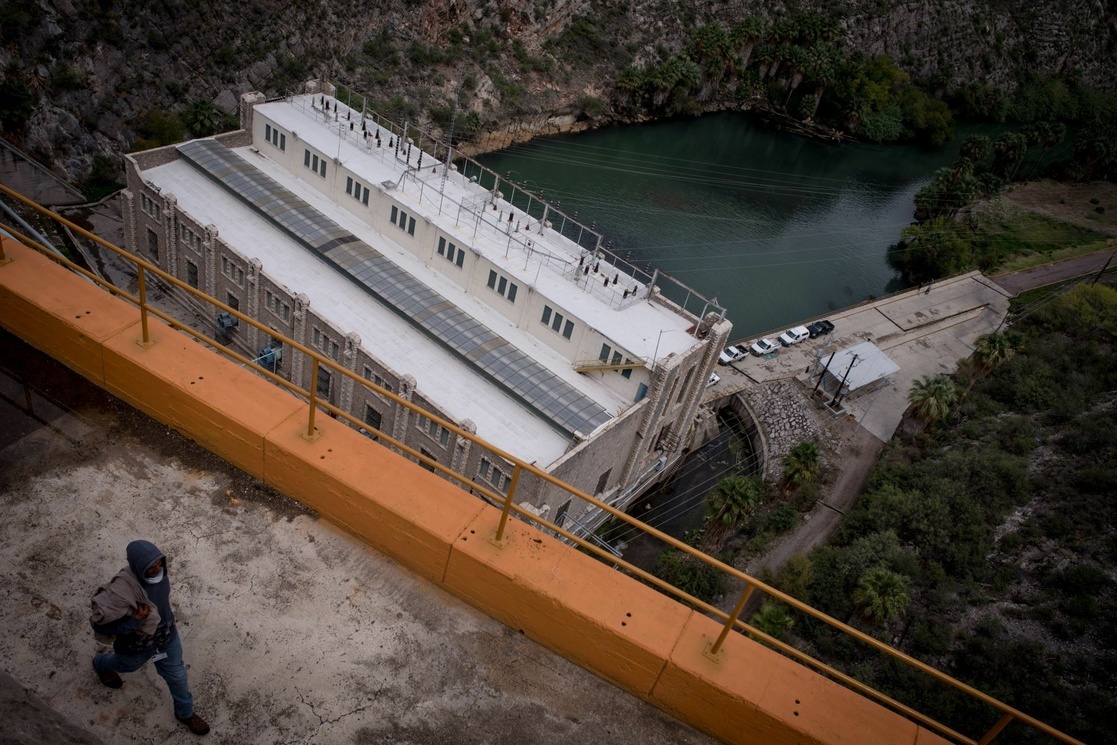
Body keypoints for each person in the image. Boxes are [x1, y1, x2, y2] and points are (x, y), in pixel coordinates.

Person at [90, 540, 209, 736]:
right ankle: (101, 664)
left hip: (166, 637)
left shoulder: (162, 576)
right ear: (137, 566)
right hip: (136, 646)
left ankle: (185, 713)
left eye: (158, 563)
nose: (156, 569)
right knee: (125, 666)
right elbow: (98, 623)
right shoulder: (119, 592)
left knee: (178, 676)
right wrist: (136, 621)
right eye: (150, 566)